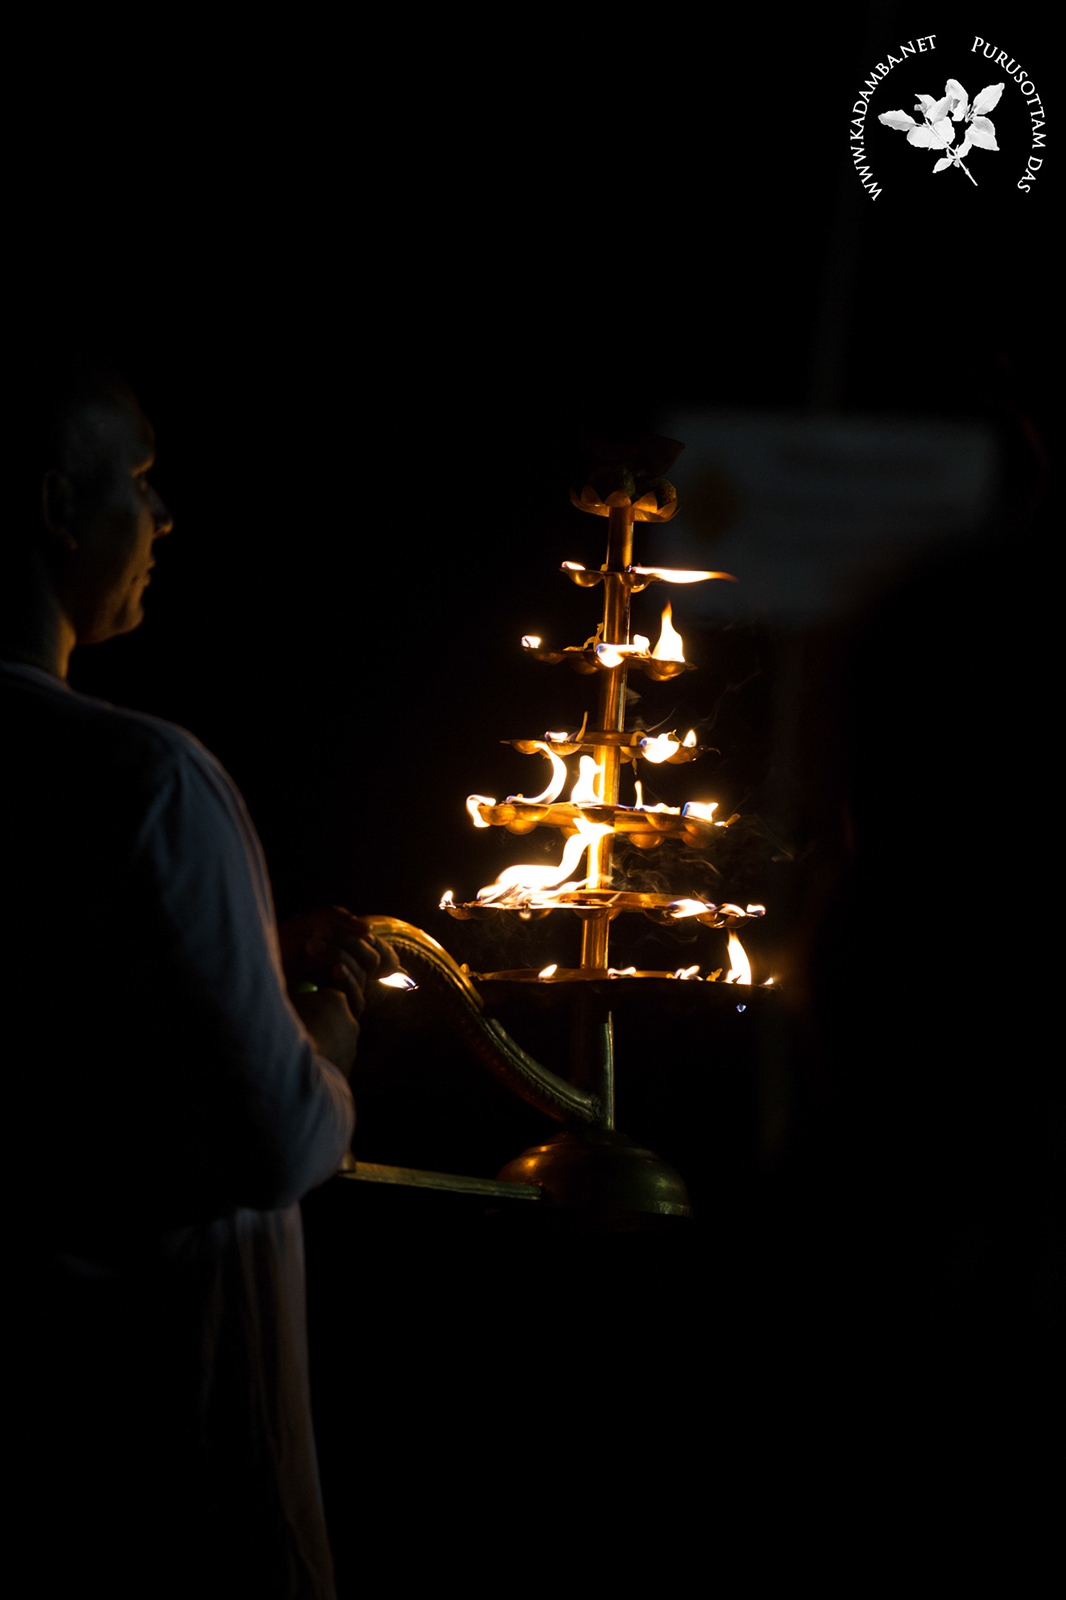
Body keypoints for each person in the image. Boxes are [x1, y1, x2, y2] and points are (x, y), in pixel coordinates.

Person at [3, 360, 388, 1597]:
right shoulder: (149, 779)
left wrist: (248, 963)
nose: (163, 518)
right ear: (58, 506)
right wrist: (327, 1019)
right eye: (140, 481)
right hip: (162, 1466)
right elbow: (274, 1134)